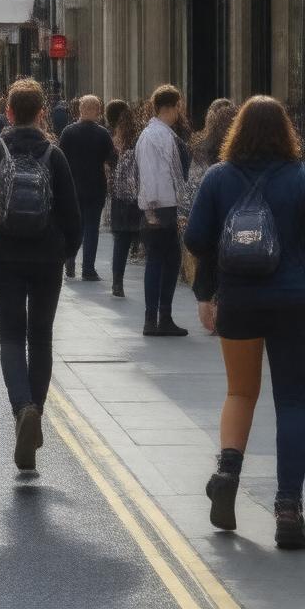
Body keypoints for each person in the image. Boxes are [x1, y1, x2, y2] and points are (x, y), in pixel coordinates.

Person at [184, 96, 305, 550]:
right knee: (294, 401)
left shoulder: (218, 178)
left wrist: (211, 282)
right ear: (285, 132)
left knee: (240, 391)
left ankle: (227, 476)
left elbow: (195, 238)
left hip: (239, 301)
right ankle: (289, 507)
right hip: (294, 303)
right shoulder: (300, 177)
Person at [0, 78, 81, 472]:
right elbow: (74, 218)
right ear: (41, 113)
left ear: (8, 112)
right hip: (45, 260)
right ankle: (35, 409)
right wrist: (61, 254)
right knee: (40, 338)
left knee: (10, 337)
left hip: (3, 259)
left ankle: (21, 409)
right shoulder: (54, 155)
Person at [135, 85, 190, 337]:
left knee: (164, 260)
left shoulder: (156, 134)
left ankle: (157, 317)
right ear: (172, 107)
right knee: (162, 260)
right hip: (160, 206)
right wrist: (152, 209)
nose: (180, 112)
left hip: (160, 204)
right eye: (179, 106)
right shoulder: (158, 135)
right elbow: (151, 175)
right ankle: (157, 317)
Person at [59, 95, 116, 282]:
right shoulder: (103, 134)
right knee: (92, 228)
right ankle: (88, 269)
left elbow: (60, 159)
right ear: (97, 111)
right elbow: (112, 159)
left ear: (80, 110)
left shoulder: (68, 132)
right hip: (95, 186)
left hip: (73, 187)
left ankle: (70, 260)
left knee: (75, 225)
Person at [108, 102, 141, 298]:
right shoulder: (139, 140)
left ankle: (117, 283)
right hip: (137, 198)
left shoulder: (114, 142)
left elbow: (109, 169)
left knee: (120, 242)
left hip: (119, 198)